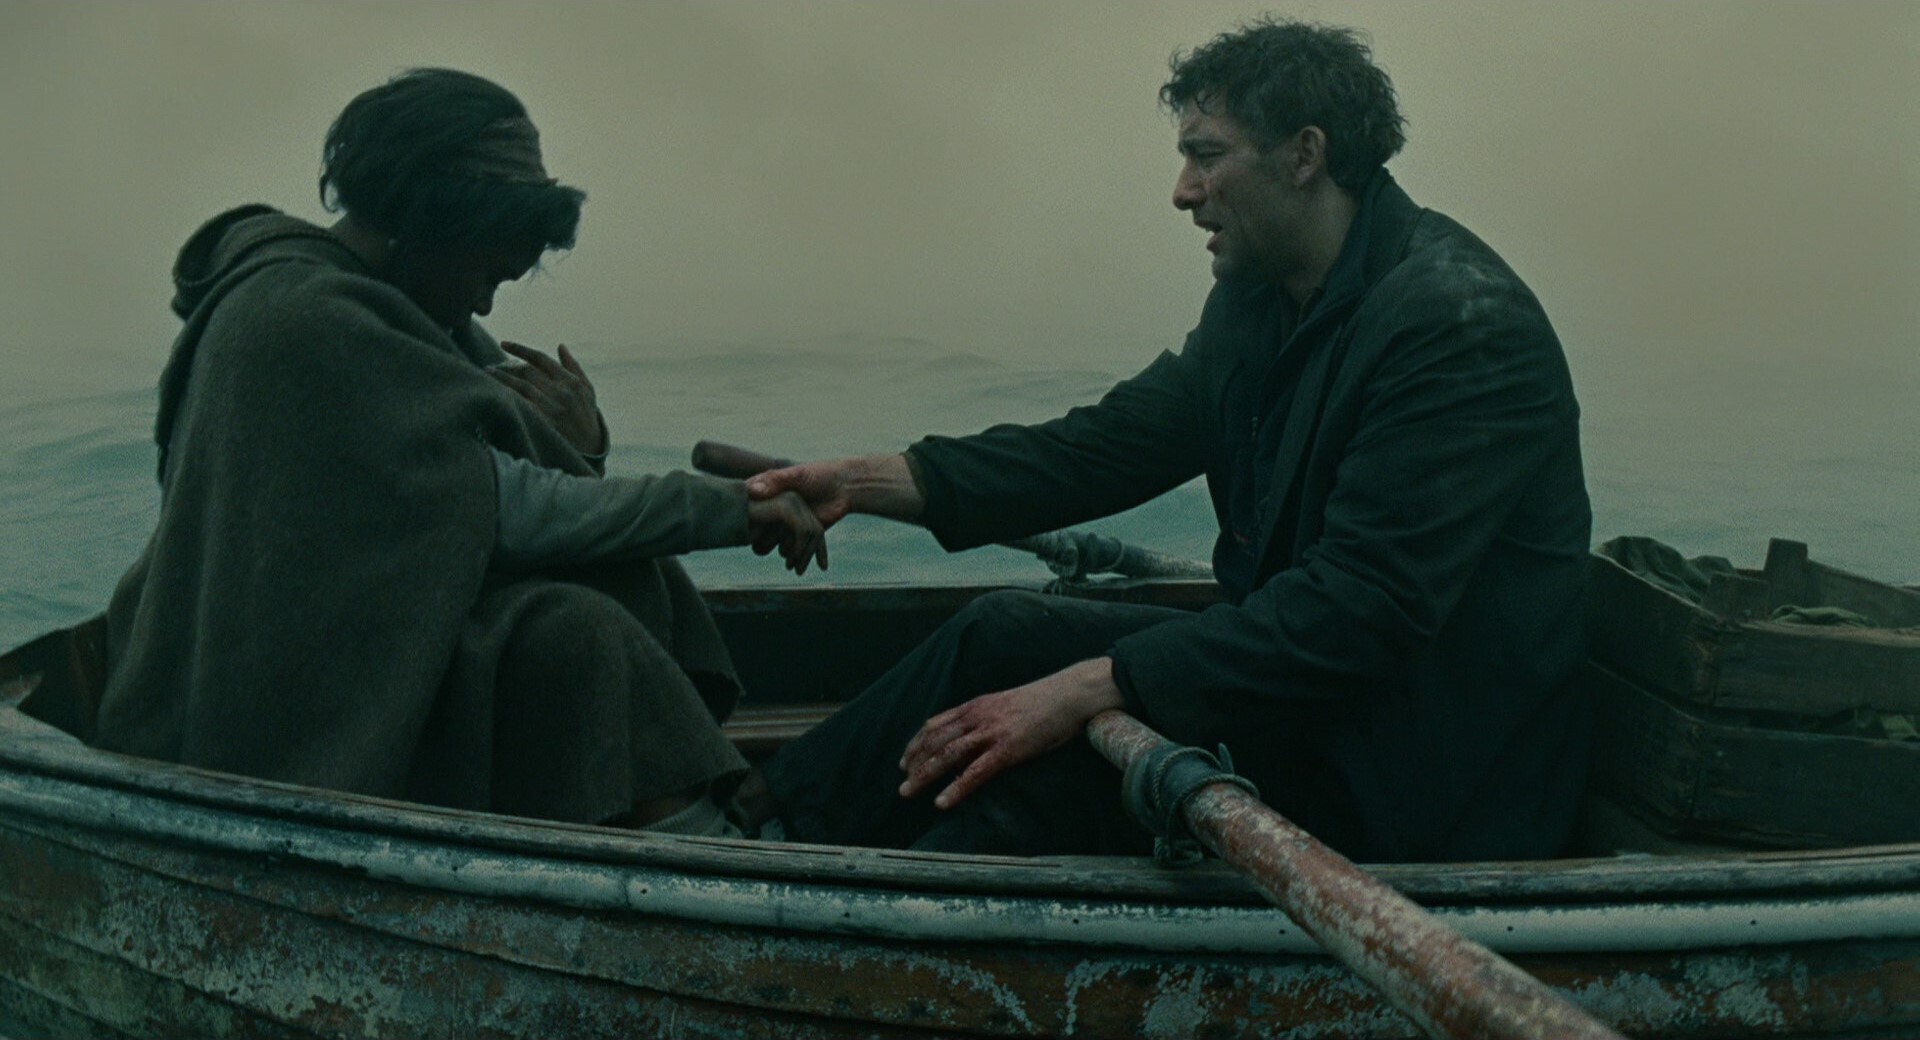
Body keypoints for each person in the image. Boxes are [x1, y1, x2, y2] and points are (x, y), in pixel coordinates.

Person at [743, 18, 1593, 863]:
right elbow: (1103, 446)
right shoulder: (1262, 298)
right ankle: (751, 830)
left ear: (1304, 154)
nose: (1183, 192)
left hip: (1412, 769)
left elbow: (1359, 611)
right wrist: (870, 482)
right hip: (1302, 704)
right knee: (995, 631)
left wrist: (1090, 686)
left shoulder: (1457, 323)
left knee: (1038, 787)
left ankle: (817, 915)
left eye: (1206, 155)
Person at [94, 68, 824, 836]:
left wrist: (584, 451)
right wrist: (732, 506)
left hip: (364, 643)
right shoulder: (306, 320)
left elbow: (467, 503)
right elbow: (504, 508)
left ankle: (688, 841)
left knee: (571, 622)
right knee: (578, 638)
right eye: (485, 274)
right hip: (286, 705)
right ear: (429, 220)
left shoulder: (390, 312)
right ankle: (712, 853)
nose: (484, 303)